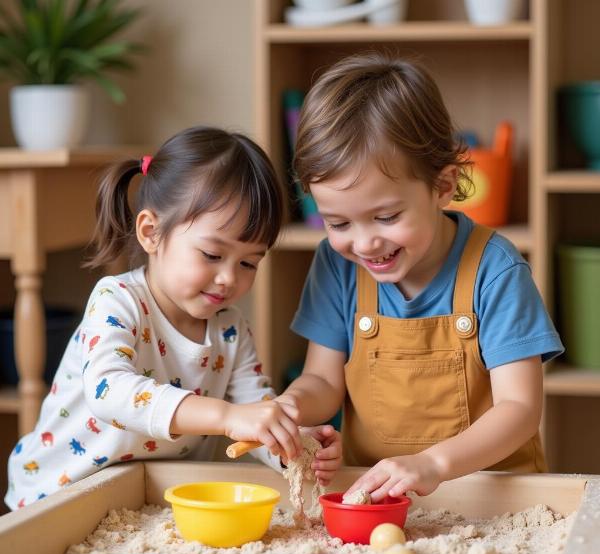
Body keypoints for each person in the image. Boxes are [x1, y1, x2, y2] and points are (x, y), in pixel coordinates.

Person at [277, 52, 564, 503]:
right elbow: (324, 382)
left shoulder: (495, 269)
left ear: (443, 186)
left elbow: (520, 409)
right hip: (375, 497)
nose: (366, 243)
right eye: (339, 224)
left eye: (386, 216)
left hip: (492, 500)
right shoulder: (337, 267)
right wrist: (291, 406)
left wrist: (434, 464)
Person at [5, 126, 341, 510]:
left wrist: (291, 443)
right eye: (212, 255)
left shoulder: (230, 329)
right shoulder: (118, 300)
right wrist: (227, 417)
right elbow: (109, 391)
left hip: (145, 499)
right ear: (151, 232)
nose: (229, 278)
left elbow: (254, 411)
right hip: (56, 494)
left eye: (249, 262)